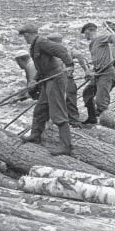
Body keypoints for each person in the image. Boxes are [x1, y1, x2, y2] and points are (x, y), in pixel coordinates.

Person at [18, 23, 74, 156]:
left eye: (24, 36)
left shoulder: (42, 42)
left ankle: (66, 146)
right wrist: (34, 80)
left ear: (28, 34)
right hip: (47, 79)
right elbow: (43, 68)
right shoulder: (34, 46)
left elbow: (61, 50)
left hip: (55, 79)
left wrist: (70, 64)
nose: (24, 39)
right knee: (40, 109)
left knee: (58, 113)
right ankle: (35, 135)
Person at [81, 23, 115, 123]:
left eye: (85, 34)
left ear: (89, 31)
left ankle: (97, 117)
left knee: (92, 94)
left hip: (114, 70)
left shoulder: (100, 40)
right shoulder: (111, 42)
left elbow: (103, 64)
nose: (85, 36)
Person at [47, 32, 90, 128]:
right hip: (68, 79)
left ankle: (61, 124)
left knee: (57, 103)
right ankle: (74, 124)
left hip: (58, 80)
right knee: (71, 102)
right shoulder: (68, 49)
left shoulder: (52, 50)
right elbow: (80, 55)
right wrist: (86, 70)